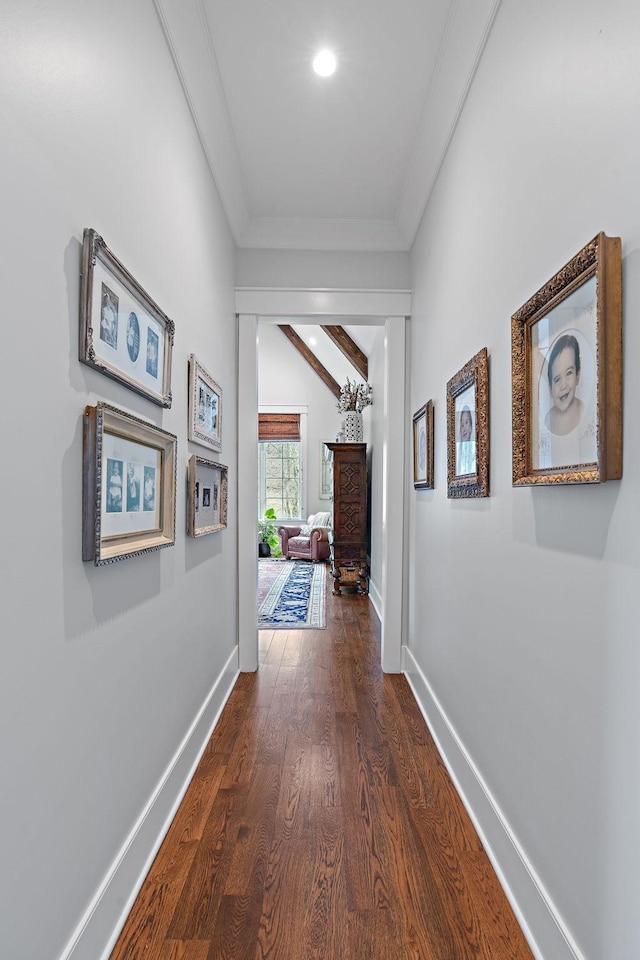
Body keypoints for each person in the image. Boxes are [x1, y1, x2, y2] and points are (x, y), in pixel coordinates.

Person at [544, 334, 584, 436]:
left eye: (569, 373)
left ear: (577, 375)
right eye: (557, 379)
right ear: (550, 389)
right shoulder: (546, 422)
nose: (563, 386)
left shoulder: (584, 413)